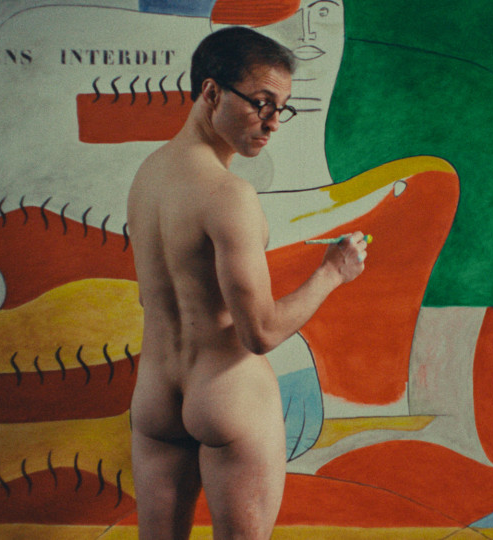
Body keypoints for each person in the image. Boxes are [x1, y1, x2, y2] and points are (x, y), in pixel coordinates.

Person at [126, 26, 368, 540]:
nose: (273, 122)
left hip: (155, 397)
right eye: (262, 103)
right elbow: (260, 332)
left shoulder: (148, 175)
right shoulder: (228, 194)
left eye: (281, 108)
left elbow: (153, 295)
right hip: (226, 394)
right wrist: (332, 271)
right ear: (212, 92)